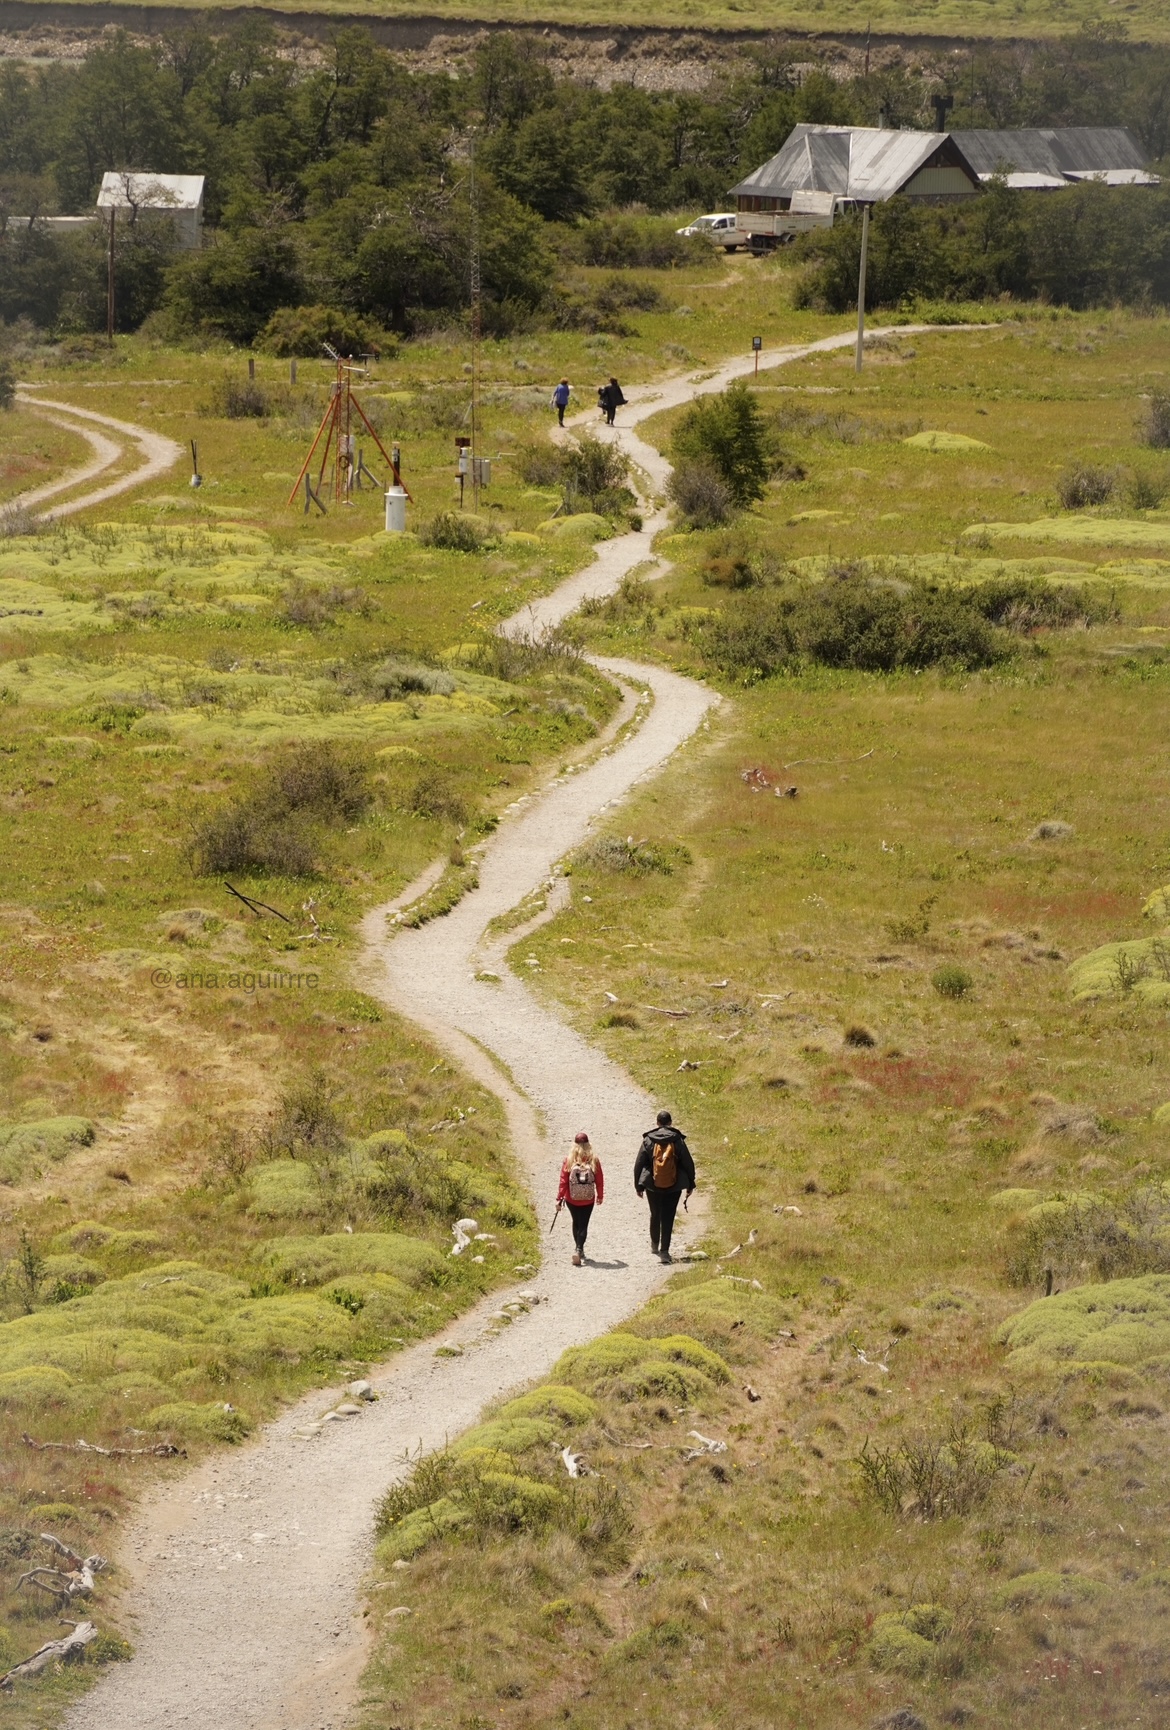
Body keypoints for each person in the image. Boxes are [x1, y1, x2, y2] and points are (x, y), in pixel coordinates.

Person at [634, 1109, 695, 1264]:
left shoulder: (648, 1140)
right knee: (668, 1216)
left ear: (657, 1123)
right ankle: (664, 1252)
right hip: (674, 1185)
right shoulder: (677, 1140)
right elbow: (688, 1163)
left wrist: (638, 1186)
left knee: (655, 1213)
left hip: (652, 1184)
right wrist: (690, 1184)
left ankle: (654, 1244)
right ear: (670, 1123)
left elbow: (639, 1164)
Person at [557, 1131, 604, 1266]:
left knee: (576, 1222)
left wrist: (559, 1198)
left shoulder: (569, 1160)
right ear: (588, 1144)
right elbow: (599, 1180)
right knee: (584, 1224)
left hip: (572, 1198)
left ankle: (578, 1249)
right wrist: (600, 1196)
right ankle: (579, 1249)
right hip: (588, 1199)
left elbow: (563, 1180)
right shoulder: (593, 1160)